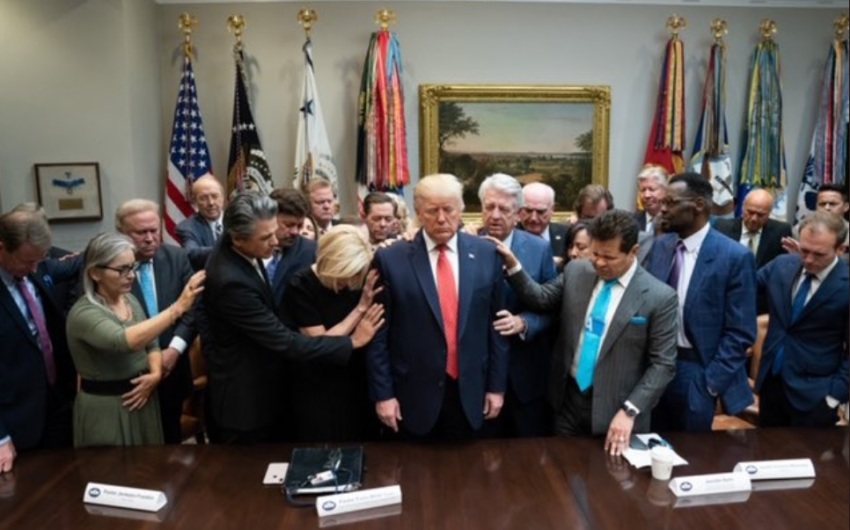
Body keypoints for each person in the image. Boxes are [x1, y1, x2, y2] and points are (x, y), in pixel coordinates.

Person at [203, 192, 383, 444]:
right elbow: (287, 342)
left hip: (272, 390)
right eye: (266, 238)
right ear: (239, 239)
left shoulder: (236, 246)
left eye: (274, 231)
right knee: (246, 475)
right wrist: (352, 342)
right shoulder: (230, 282)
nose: (275, 241)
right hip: (246, 402)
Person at [493, 210, 677, 453]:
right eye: (595, 253)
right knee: (561, 475)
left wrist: (631, 410)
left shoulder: (659, 297)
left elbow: (663, 365)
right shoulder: (577, 271)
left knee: (611, 484)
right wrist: (513, 265)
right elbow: (541, 299)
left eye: (609, 257)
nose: (599, 262)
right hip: (566, 402)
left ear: (633, 252)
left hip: (618, 411)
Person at [366, 173, 509, 440]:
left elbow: (497, 328)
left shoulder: (486, 254)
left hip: (472, 392)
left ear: (462, 210)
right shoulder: (390, 259)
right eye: (432, 211)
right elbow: (378, 334)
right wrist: (383, 394)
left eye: (448, 209)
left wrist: (497, 387)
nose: (441, 218)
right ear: (418, 212)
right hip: (412, 396)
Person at [66, 233, 204, 447]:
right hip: (108, 408)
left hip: (144, 400)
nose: (130, 275)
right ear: (95, 273)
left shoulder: (129, 300)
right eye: (121, 269)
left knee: (149, 471)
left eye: (132, 267)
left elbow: (151, 343)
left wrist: (156, 374)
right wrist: (177, 308)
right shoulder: (84, 312)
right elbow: (124, 341)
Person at [644, 173, 756, 432]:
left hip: (698, 369)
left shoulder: (734, 257)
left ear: (698, 205)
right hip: (655, 365)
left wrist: (710, 383)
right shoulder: (661, 246)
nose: (663, 209)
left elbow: (741, 332)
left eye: (671, 202)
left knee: (692, 457)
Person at [281, 225, 382, 441]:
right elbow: (320, 343)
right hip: (317, 383)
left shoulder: (361, 276)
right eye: (345, 274)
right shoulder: (300, 285)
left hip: (356, 378)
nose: (350, 281)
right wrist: (359, 313)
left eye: (356, 274)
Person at [478, 174, 557, 437]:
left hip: (526, 374)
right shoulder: (462, 245)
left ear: (518, 213)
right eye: (490, 207)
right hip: (479, 376)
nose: (496, 215)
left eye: (504, 209)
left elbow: (553, 309)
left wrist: (525, 323)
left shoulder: (538, 249)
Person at [116, 199, 198, 444]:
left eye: (154, 230)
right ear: (121, 233)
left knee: (170, 446)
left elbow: (194, 309)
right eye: (141, 233)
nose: (150, 238)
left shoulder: (176, 257)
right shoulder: (108, 267)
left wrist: (174, 349)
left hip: (171, 372)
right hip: (130, 379)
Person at [0, 210, 76, 473]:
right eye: (27, 261)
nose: (34, 268)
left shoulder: (37, 269)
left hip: (56, 404)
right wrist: (1, 437)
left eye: (39, 259)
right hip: (14, 419)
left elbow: (77, 262)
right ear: (2, 248)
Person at [755, 211, 848, 427]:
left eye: (819, 254)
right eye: (804, 250)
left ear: (840, 249)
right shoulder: (782, 265)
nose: (808, 259)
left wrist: (833, 398)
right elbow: (743, 286)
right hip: (771, 385)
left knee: (809, 460)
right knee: (767, 455)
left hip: (816, 396)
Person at [715, 188, 791, 269]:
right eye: (750, 212)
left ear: (769, 213)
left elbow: (782, 267)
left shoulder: (780, 231)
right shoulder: (722, 228)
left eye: (760, 215)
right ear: (743, 207)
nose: (754, 219)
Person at [266, 188, 317, 309]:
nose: (295, 232)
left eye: (299, 225)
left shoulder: (310, 252)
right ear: (271, 217)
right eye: (289, 225)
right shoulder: (251, 246)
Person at [518, 182, 569, 264]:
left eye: (540, 212)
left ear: (552, 209)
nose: (533, 218)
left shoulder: (567, 234)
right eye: (528, 210)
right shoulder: (509, 235)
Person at [634, 165, 668, 233]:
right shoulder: (632, 222)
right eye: (643, 190)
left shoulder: (675, 221)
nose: (646, 195)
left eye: (652, 189)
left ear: (665, 190)